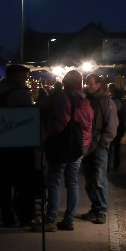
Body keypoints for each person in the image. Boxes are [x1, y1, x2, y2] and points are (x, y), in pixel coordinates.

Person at [33, 69, 93, 232]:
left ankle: (51, 219)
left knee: (53, 181)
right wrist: (85, 146)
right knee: (72, 182)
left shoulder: (64, 99)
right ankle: (68, 220)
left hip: (62, 146)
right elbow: (88, 127)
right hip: (78, 147)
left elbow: (60, 124)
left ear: (68, 84)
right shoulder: (86, 102)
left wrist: (48, 136)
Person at [0, 64, 37, 228]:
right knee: (24, 182)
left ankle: (6, 215)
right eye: (23, 76)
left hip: (0, 143)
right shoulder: (19, 94)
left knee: (5, 181)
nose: (25, 79)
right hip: (19, 144)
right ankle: (25, 216)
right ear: (15, 76)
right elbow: (28, 121)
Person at [78, 73, 118, 225]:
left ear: (99, 84)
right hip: (88, 144)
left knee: (100, 179)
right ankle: (96, 207)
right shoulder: (86, 99)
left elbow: (111, 125)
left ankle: (101, 210)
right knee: (89, 179)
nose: (88, 86)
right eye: (87, 83)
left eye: (91, 83)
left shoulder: (105, 100)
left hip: (98, 144)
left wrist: (103, 142)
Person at [108, 82, 126, 172]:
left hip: (114, 126)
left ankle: (108, 165)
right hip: (120, 126)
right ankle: (116, 165)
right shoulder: (120, 100)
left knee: (110, 147)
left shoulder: (113, 100)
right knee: (116, 147)